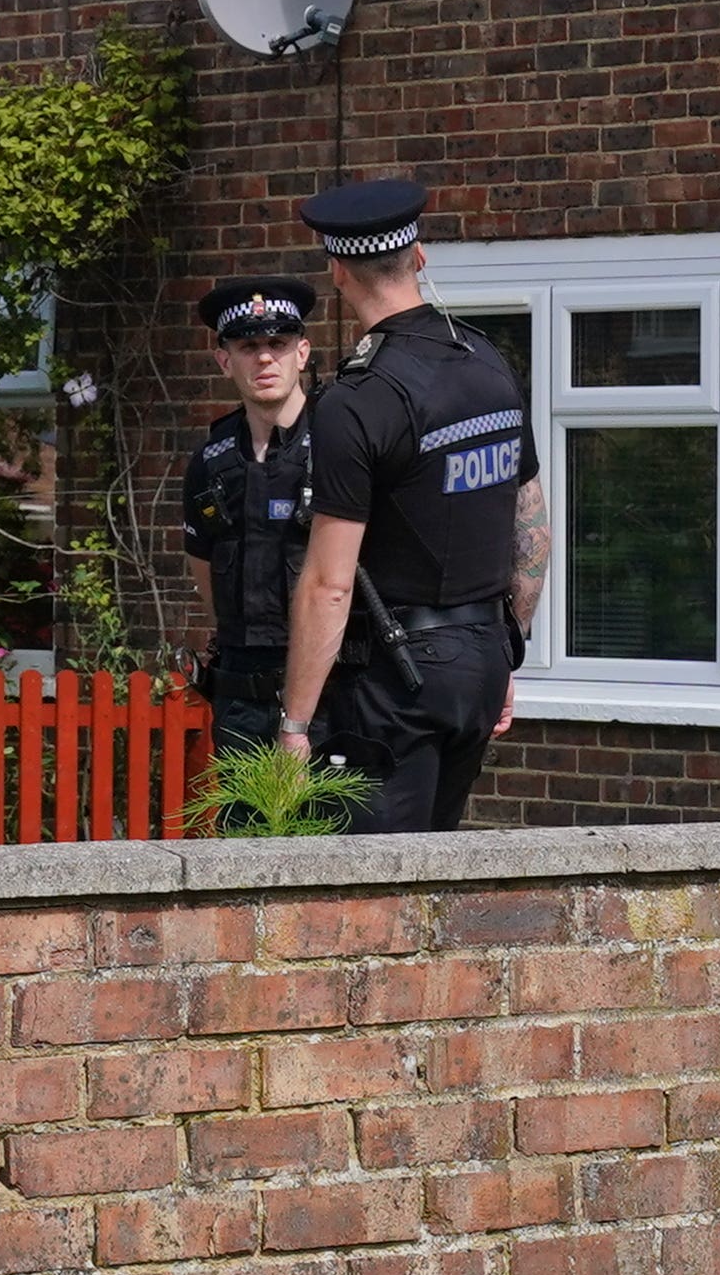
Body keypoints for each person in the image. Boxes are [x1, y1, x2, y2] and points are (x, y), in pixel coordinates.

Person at [272, 178, 548, 830]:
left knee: (367, 896)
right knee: (436, 880)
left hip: (394, 684)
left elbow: (329, 586)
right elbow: (532, 528)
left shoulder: (356, 401)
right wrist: (503, 651)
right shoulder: (487, 361)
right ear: (417, 257)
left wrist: (294, 726)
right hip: (480, 660)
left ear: (337, 271)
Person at [179, 274, 323, 754]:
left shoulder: (341, 446)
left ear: (301, 353)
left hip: (331, 693)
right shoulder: (210, 463)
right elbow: (208, 584)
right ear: (225, 360)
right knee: (243, 830)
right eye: (247, 346)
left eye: (278, 343)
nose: (264, 357)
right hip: (240, 698)